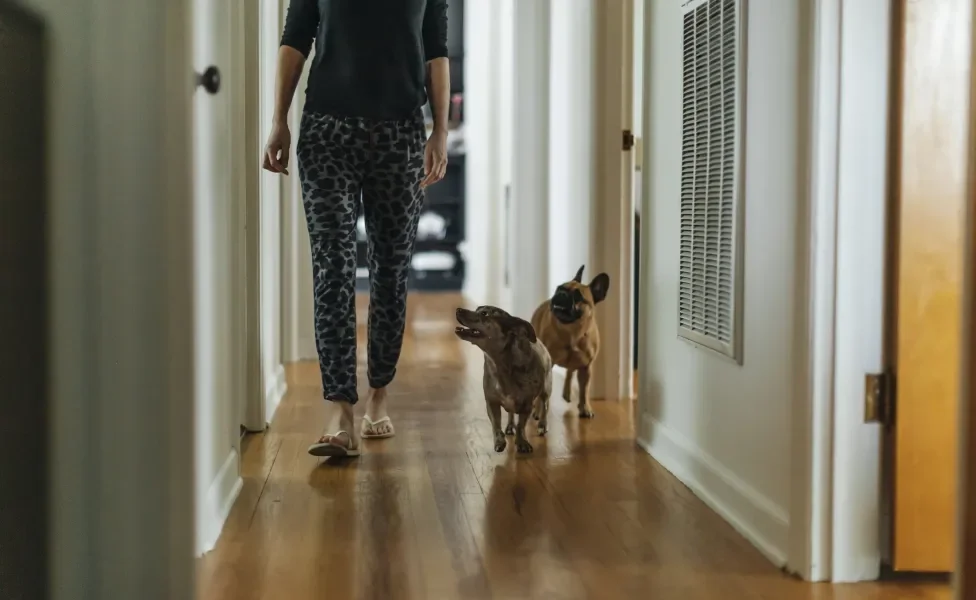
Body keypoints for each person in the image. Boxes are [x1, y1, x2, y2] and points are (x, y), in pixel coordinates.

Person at [263, 0, 450, 458]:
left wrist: (440, 131)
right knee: (333, 268)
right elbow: (295, 37)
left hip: (401, 133)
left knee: (390, 270)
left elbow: (436, 50)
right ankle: (341, 410)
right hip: (328, 131)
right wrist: (278, 119)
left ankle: (378, 397)